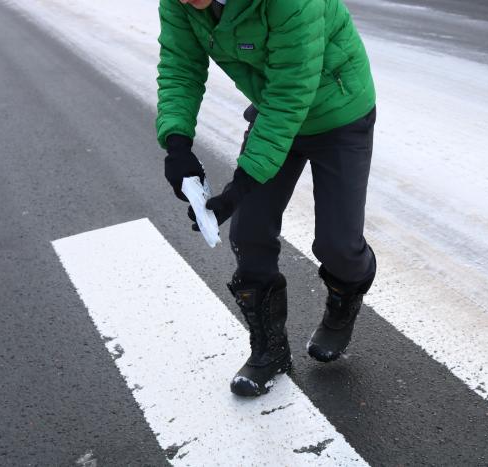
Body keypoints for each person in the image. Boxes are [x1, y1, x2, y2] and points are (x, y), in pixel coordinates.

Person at [156, 0, 377, 397]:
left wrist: (241, 184)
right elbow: (180, 67)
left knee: (337, 245)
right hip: (275, 106)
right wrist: (178, 145)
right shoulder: (179, 2)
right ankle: (270, 351)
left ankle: (345, 299)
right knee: (250, 230)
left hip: (338, 111)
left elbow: (292, 91)